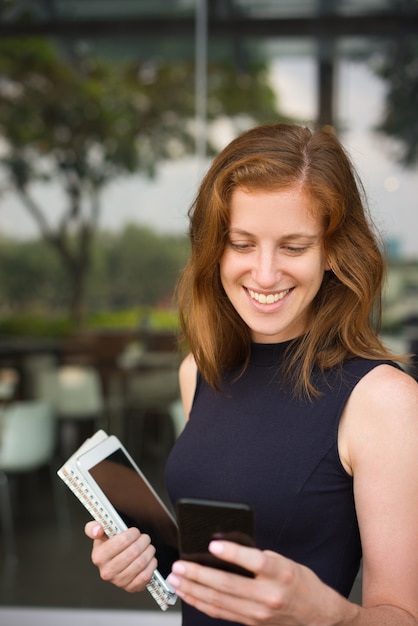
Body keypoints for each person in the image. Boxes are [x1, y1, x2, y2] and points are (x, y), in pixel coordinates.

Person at [85, 123, 418, 625]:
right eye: (241, 244)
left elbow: (403, 615)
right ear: (214, 249)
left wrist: (330, 616)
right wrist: (147, 561)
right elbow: (212, 571)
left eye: (293, 246)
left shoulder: (384, 400)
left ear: (331, 251)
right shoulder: (199, 371)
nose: (264, 274)